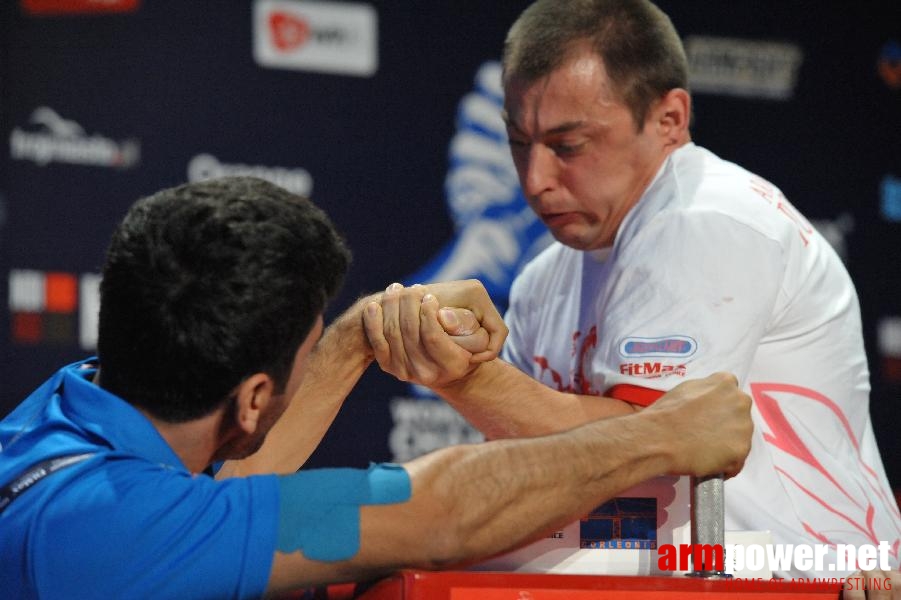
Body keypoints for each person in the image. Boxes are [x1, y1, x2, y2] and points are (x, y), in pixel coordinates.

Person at [0, 176, 753, 598]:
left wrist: (364, 333)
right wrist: (662, 433)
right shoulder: (117, 530)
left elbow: (232, 478)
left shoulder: (60, 421)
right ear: (257, 398)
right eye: (305, 353)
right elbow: (439, 512)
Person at [362, 0, 901, 584]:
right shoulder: (547, 276)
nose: (536, 179)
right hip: (684, 573)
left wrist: (463, 373)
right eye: (520, 143)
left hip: (811, 575)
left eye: (568, 146)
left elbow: (638, 453)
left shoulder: (706, 218)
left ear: (669, 118)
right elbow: (540, 476)